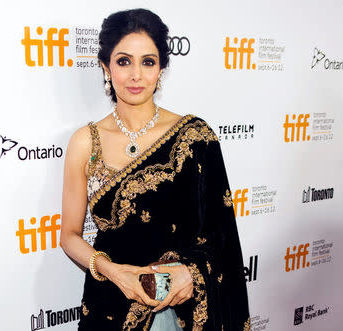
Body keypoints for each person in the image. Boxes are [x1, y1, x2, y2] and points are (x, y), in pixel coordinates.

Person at [61, 8, 250, 331]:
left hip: (182, 307)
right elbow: (69, 236)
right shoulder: (85, 142)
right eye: (123, 61)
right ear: (105, 66)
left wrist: (189, 273)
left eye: (148, 62)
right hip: (111, 303)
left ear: (161, 68)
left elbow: (222, 237)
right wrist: (114, 272)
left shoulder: (195, 137)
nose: (136, 75)